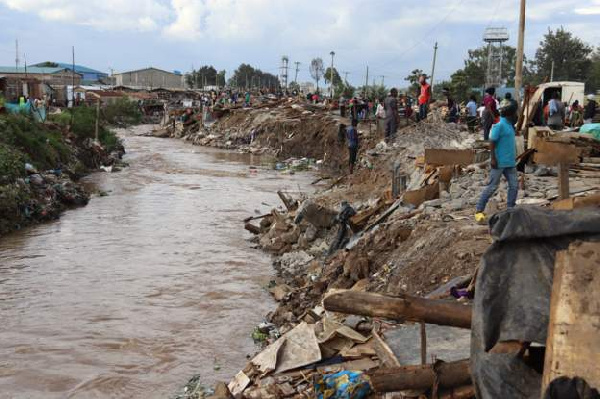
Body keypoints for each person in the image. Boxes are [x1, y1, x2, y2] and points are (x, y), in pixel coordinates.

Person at [475, 105, 519, 223]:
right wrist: (493, 158)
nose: (517, 116)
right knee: (492, 187)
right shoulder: (499, 126)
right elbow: (492, 142)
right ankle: (479, 211)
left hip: (510, 162)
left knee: (514, 186)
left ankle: (510, 210)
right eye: (515, 114)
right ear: (510, 115)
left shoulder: (510, 125)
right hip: (499, 162)